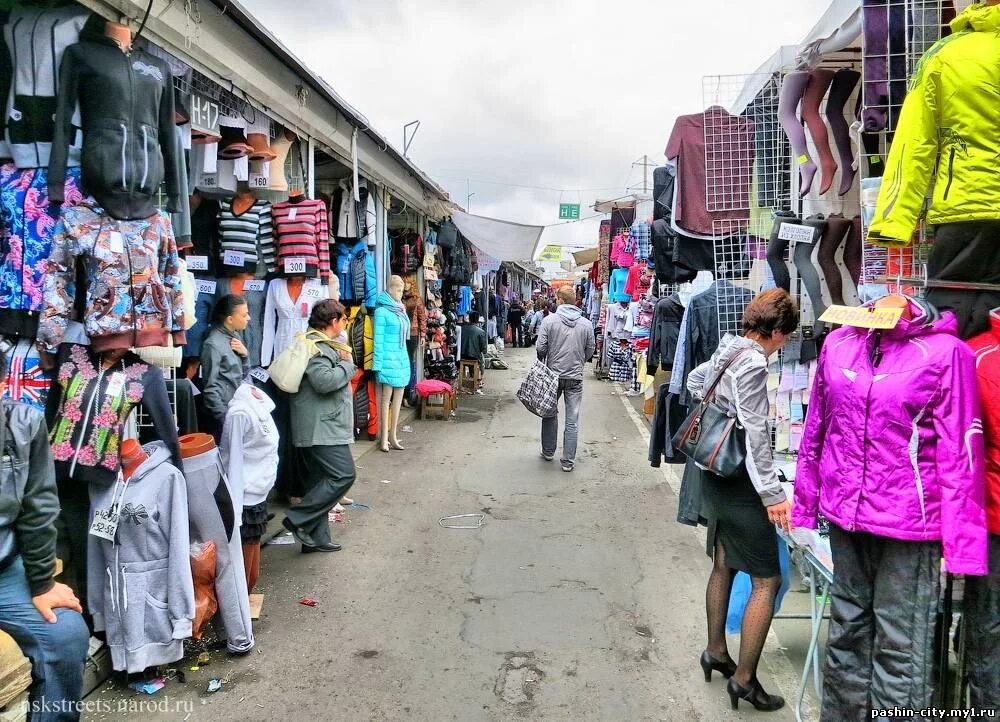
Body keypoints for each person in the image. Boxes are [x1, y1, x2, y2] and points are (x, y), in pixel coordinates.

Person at [685, 288, 798, 713]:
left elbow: (695, 382)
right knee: (767, 580)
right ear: (777, 331)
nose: (785, 343)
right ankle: (745, 679)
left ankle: (715, 651)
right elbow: (754, 436)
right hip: (738, 480)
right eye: (786, 335)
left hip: (714, 470)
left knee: (723, 564)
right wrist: (773, 494)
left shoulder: (730, 347)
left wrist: (722, 410)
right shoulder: (752, 362)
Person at [0, 353, 90, 720]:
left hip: (4, 570)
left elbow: (38, 507)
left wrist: (41, 583)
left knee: (66, 633)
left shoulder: (23, 425)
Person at [283, 299, 357, 553]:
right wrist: (347, 365)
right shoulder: (318, 347)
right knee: (343, 474)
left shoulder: (316, 343)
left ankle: (315, 538)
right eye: (343, 319)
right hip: (322, 427)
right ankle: (299, 519)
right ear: (333, 321)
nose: (345, 323)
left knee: (318, 480)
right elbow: (323, 382)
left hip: (320, 424)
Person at [536, 285, 596, 472]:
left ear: (561, 300)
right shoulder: (586, 324)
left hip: (553, 375)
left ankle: (548, 451)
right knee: (572, 420)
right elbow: (590, 350)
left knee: (549, 413)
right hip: (575, 377)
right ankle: (568, 461)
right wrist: (579, 361)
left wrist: (546, 358)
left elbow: (540, 348)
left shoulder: (549, 321)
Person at [200, 294, 251, 439]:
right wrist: (224, 417)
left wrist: (245, 355)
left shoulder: (235, 336)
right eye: (244, 315)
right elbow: (210, 388)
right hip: (223, 415)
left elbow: (243, 374)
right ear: (230, 319)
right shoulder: (213, 344)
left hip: (236, 408)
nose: (248, 318)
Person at [461, 311, 489, 393]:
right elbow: (483, 348)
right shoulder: (480, 331)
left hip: (462, 355)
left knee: (474, 356)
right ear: (477, 320)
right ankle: (479, 380)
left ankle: (470, 378)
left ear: (469, 319)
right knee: (482, 360)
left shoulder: (462, 329)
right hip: (474, 357)